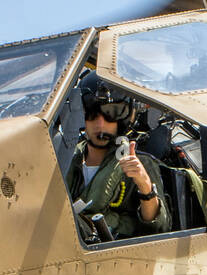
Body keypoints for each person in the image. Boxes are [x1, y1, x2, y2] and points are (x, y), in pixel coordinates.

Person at [64, 75, 171, 238]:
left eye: (110, 115)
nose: (100, 124)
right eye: (92, 115)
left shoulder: (141, 164)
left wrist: (144, 184)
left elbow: (159, 229)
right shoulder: (64, 159)